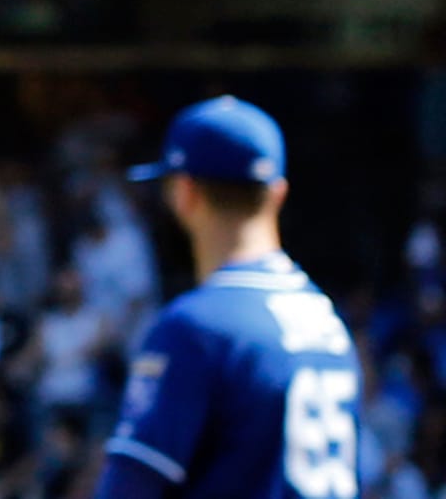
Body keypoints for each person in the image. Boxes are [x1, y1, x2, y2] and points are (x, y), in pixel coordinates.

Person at [97, 96, 361, 499]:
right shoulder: (327, 322)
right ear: (277, 194)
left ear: (184, 194)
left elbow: (129, 489)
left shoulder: (197, 327)